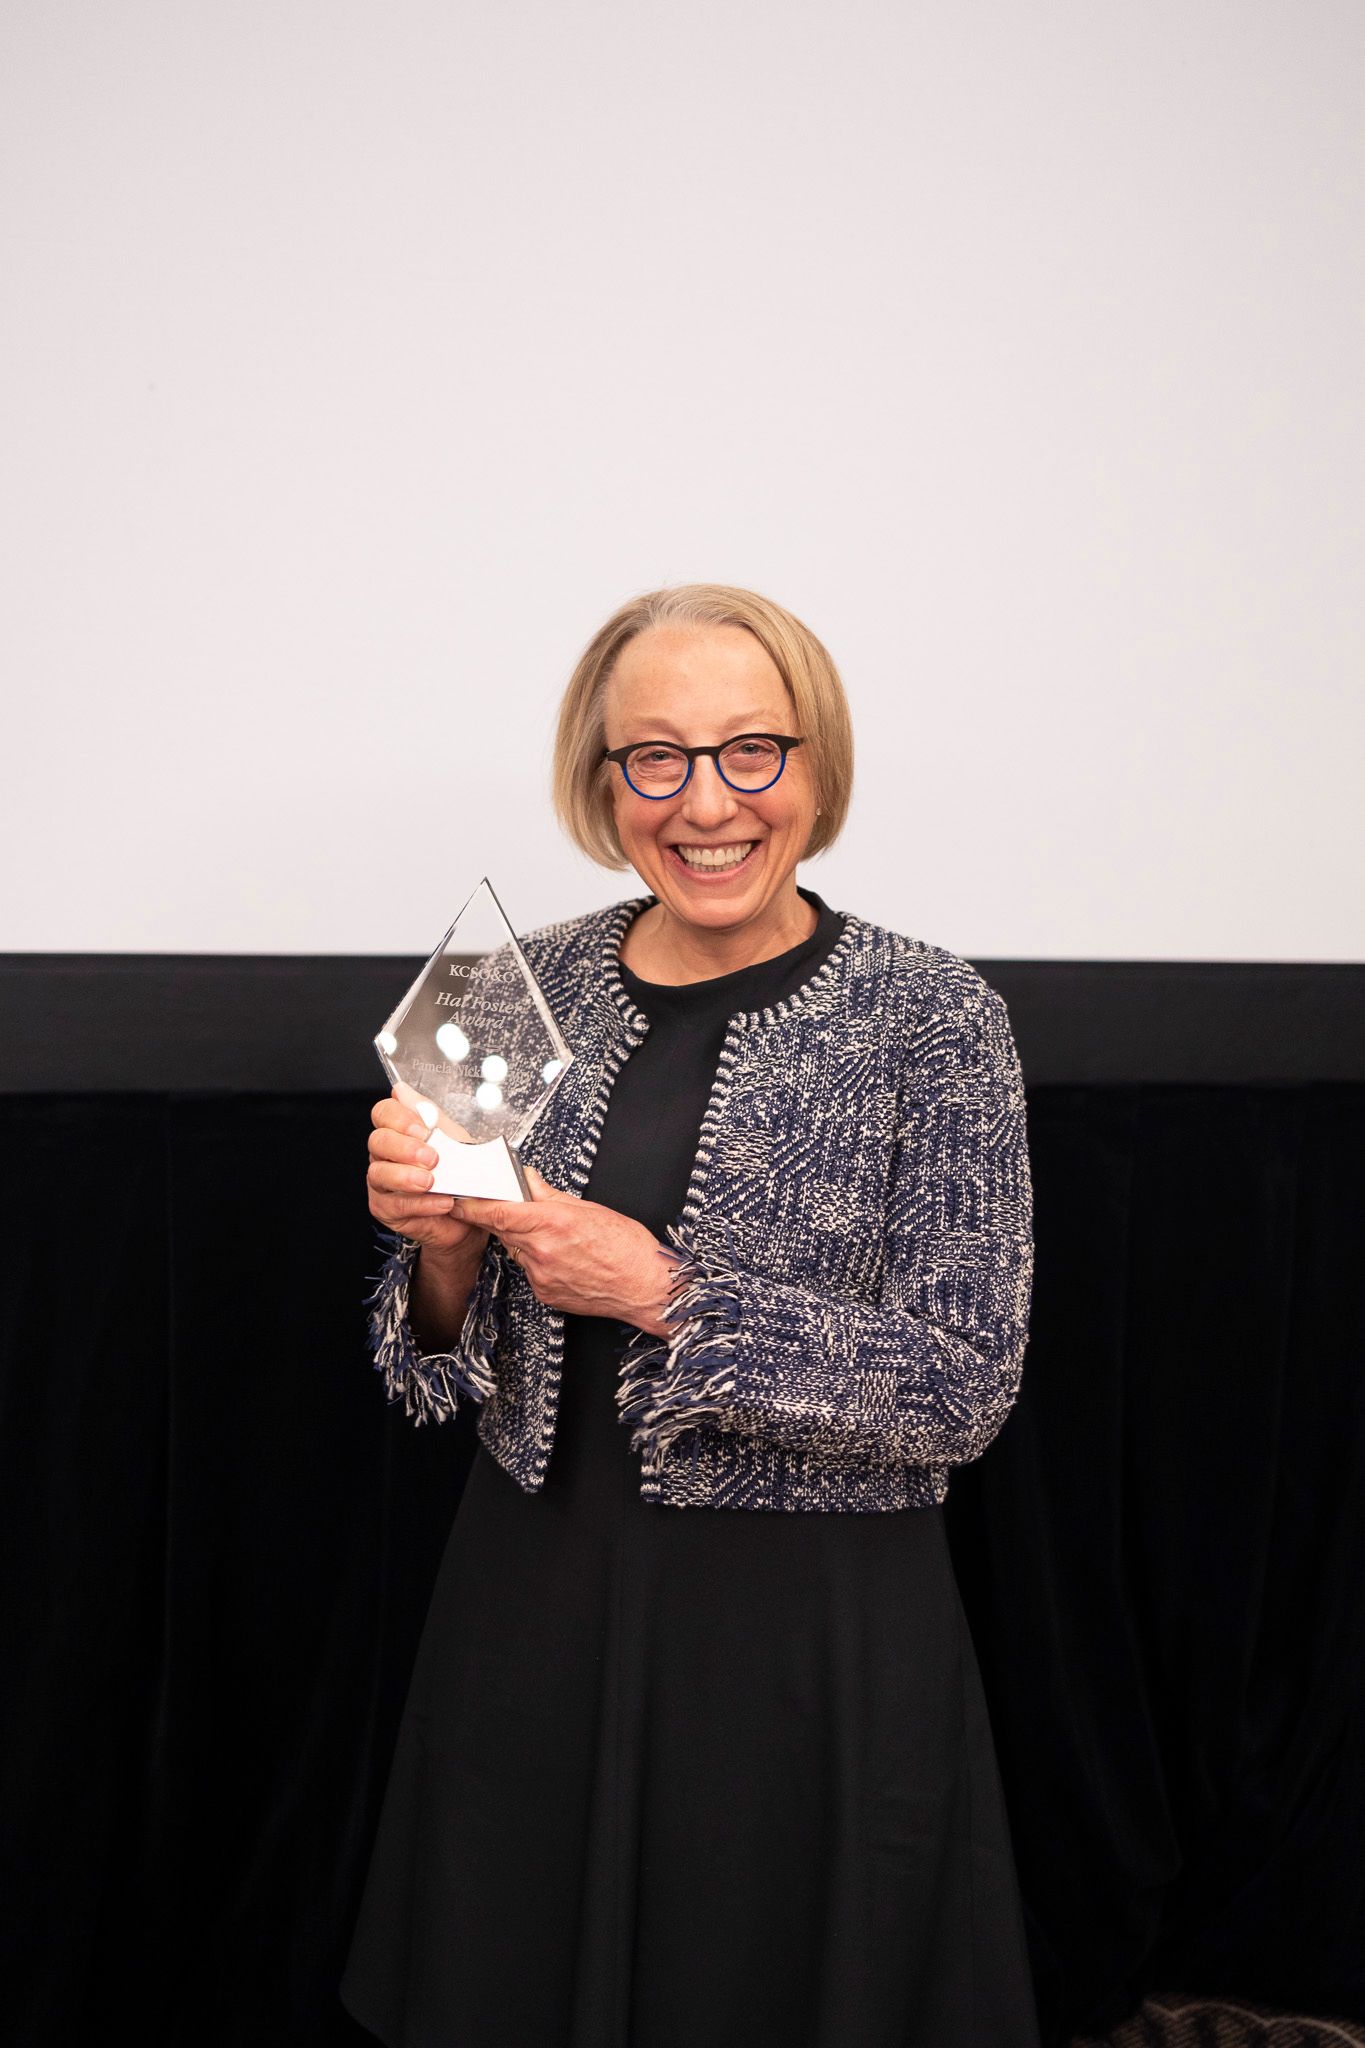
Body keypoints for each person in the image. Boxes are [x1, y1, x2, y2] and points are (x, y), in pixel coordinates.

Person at [339, 583, 1039, 2048]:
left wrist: (660, 1292)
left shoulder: (935, 1015)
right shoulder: (507, 985)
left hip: (805, 1639)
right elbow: (438, 1364)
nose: (703, 802)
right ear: (602, 784)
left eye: (749, 752)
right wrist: (440, 1250)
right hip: (537, 1601)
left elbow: (964, 1389)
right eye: (652, 757)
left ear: (815, 767)